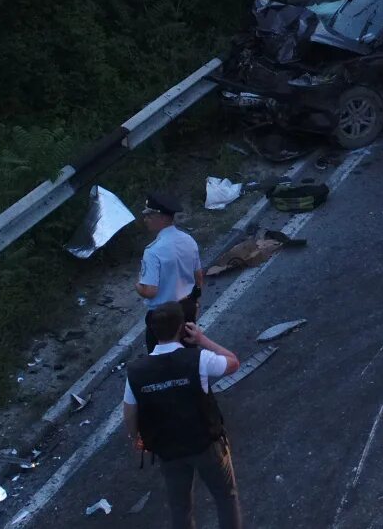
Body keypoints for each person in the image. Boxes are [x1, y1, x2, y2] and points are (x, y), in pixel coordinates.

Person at [124, 304, 243, 529]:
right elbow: (233, 362)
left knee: (180, 508)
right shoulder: (199, 359)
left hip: (169, 450)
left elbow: (129, 412)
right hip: (206, 443)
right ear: (182, 328)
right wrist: (202, 339)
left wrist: (137, 438)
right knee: (225, 498)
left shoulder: (136, 371)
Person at [136, 192, 201, 351]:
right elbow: (198, 275)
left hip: (163, 317)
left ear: (163, 218)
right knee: (189, 355)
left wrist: (138, 285)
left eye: (149, 215)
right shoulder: (188, 240)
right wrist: (195, 302)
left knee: (160, 363)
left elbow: (150, 291)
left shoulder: (153, 251)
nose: (145, 219)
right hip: (186, 308)